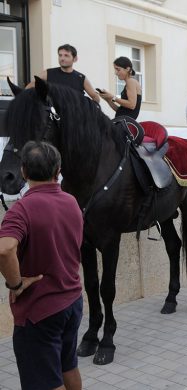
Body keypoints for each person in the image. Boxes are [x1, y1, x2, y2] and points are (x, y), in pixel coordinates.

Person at [0, 142, 83, 390]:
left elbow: (4, 249)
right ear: (58, 170)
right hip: (72, 301)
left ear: (23, 171)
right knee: (68, 365)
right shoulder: (71, 201)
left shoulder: (21, 210)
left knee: (45, 381)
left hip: (40, 311)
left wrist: (16, 283)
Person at [26, 44, 100, 103]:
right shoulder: (47, 73)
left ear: (75, 59)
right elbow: (28, 89)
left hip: (74, 117)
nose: (62, 58)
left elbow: (95, 98)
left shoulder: (81, 78)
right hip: (53, 118)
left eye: (66, 55)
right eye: (60, 55)